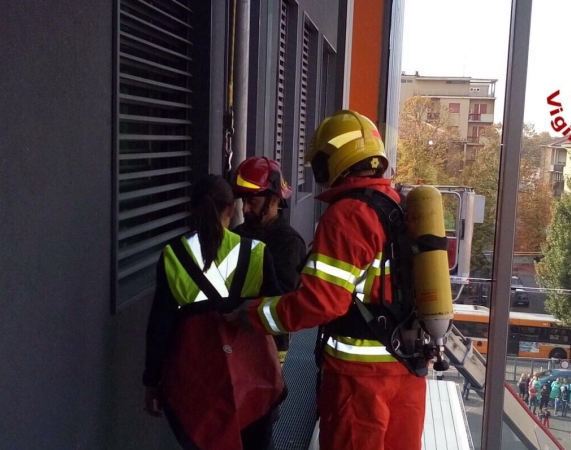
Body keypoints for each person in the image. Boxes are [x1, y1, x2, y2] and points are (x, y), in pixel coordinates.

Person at [226, 110, 426, 450]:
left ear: (333, 159)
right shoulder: (396, 205)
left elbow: (320, 302)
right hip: (405, 370)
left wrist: (250, 315)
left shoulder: (348, 215)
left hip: (359, 382)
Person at [143, 174, 285, 450]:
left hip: (196, 386)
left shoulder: (173, 255)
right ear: (231, 209)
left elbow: (160, 327)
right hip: (253, 381)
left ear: (192, 210)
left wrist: (151, 381)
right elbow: (278, 313)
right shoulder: (256, 252)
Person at [230, 156, 307, 366]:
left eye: (252, 202)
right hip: (234, 339)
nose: (244, 209)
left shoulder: (288, 243)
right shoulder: (238, 234)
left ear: (273, 201)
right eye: (243, 201)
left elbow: (282, 301)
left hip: (267, 346)